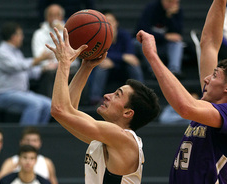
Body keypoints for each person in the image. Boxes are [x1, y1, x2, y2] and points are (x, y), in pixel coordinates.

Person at [136, 0, 227, 182]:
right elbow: (209, 42)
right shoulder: (211, 105)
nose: (205, 79)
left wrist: (153, 56)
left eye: (214, 76)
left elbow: (184, 107)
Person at [45, 27, 160, 183]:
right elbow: (67, 110)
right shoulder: (107, 138)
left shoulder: (122, 138)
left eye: (117, 95)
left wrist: (64, 63)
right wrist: (86, 66)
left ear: (127, 113)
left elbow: (59, 110)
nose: (107, 95)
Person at [0, 21, 52, 125]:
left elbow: (27, 72)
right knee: (35, 104)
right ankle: (25, 137)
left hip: (22, 93)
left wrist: (45, 68)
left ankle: (36, 135)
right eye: (20, 34)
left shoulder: (17, 52)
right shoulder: (0, 52)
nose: (22, 37)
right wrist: (38, 59)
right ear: (13, 36)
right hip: (3, 94)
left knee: (49, 105)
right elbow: (16, 66)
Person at [89, 11, 144, 105]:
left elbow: (130, 55)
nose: (108, 24)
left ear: (116, 23)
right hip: (109, 68)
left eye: (110, 21)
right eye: (105, 21)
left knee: (134, 64)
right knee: (102, 65)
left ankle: (142, 95)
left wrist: (114, 61)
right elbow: (99, 55)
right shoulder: (98, 37)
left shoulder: (124, 35)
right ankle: (95, 98)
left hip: (123, 68)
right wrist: (122, 57)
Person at [134, 0, 184, 78]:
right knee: (141, 42)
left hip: (164, 45)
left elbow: (178, 33)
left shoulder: (177, 11)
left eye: (176, 2)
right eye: (170, 1)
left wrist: (170, 17)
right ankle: (154, 70)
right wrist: (165, 36)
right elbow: (142, 29)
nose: (173, 5)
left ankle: (174, 70)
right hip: (150, 41)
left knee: (177, 43)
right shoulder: (151, 8)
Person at [31, 4, 79, 97]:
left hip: (69, 65)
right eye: (51, 15)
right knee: (50, 73)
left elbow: (73, 52)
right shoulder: (38, 34)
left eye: (57, 15)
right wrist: (54, 62)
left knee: (76, 72)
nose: (54, 18)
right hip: (49, 67)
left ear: (61, 17)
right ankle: (51, 105)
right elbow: (39, 56)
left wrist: (63, 31)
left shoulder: (69, 31)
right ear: (46, 17)